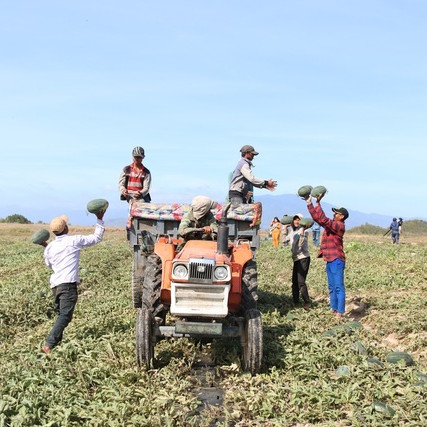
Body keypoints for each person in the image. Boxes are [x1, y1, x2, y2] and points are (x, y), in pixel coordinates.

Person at [39, 210, 106, 354]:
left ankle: (56, 346)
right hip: (67, 284)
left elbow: (50, 265)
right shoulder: (73, 241)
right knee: (65, 315)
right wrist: (99, 218)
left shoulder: (49, 247)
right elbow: (96, 238)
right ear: (66, 228)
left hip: (55, 285)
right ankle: (49, 344)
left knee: (60, 315)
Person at [306, 194, 348, 318]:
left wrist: (317, 204)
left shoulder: (339, 226)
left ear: (342, 216)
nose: (334, 215)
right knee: (331, 286)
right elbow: (319, 219)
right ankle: (333, 308)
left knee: (339, 286)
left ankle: (340, 311)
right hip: (330, 259)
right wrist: (311, 203)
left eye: (336, 214)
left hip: (337, 260)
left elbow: (323, 219)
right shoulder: (332, 225)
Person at [283, 214, 311, 309]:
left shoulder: (304, 232)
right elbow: (284, 242)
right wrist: (284, 228)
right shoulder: (292, 232)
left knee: (301, 281)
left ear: (302, 221)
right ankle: (295, 302)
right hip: (296, 259)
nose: (296, 221)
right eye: (295, 219)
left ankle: (307, 302)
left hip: (303, 258)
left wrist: (302, 232)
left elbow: (300, 246)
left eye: (298, 220)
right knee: (294, 282)